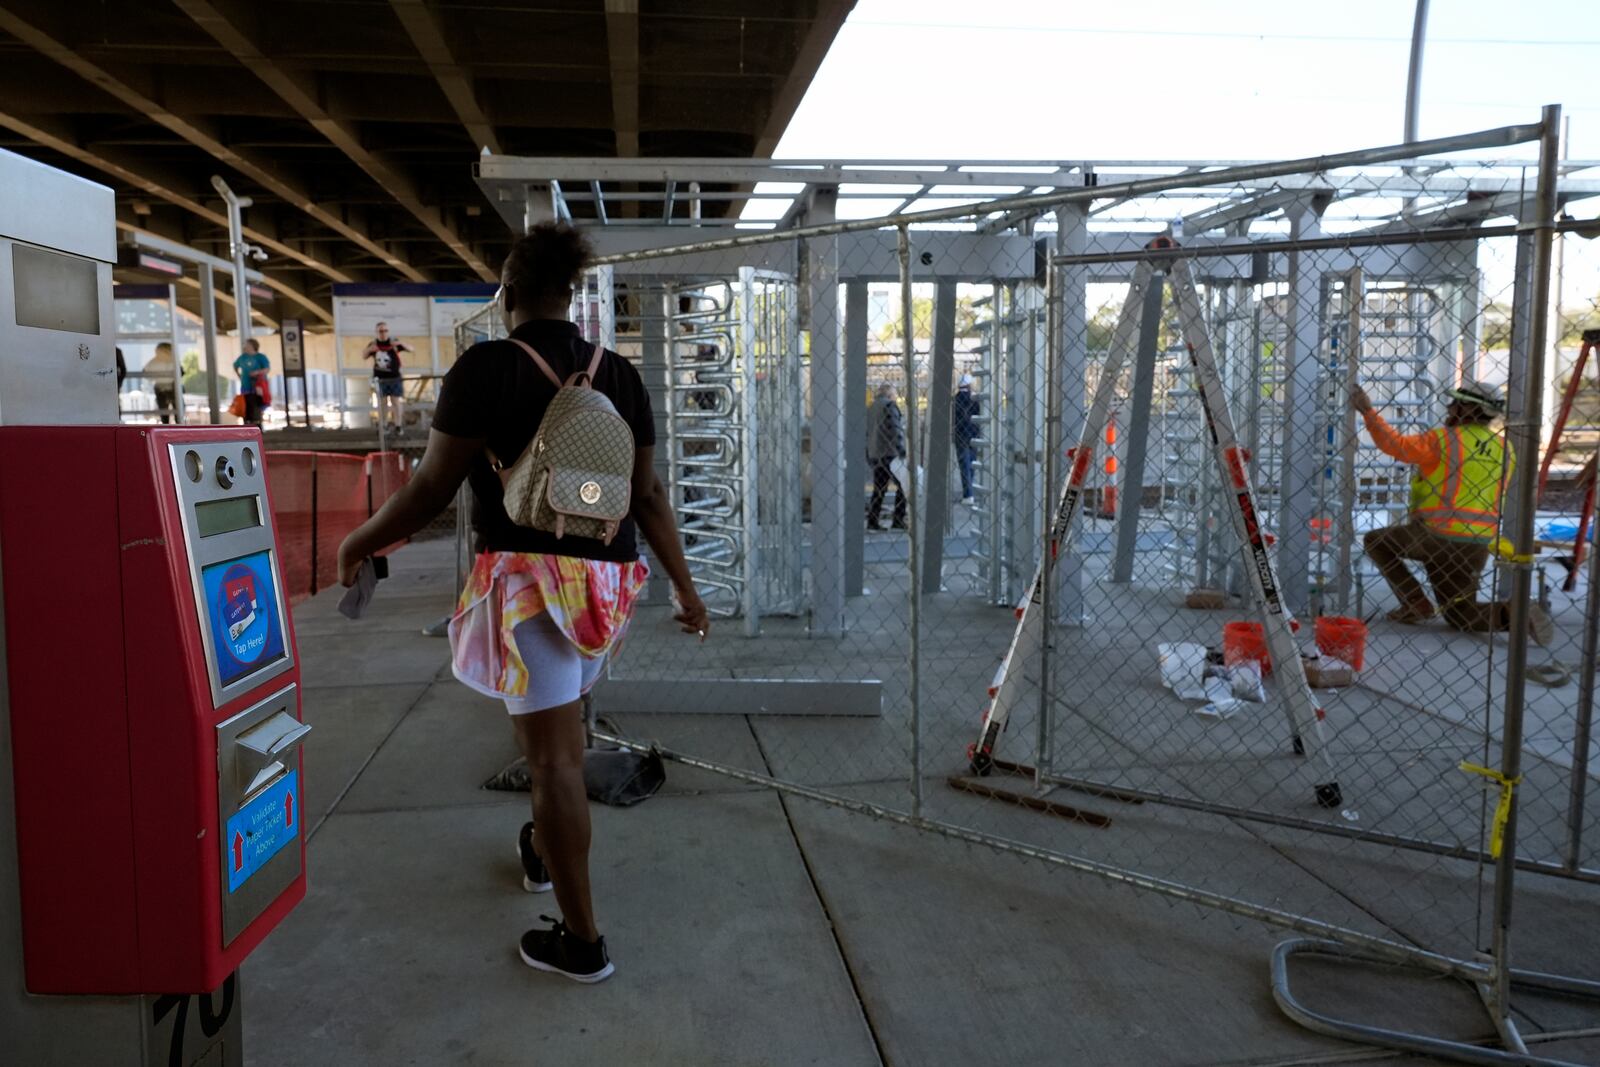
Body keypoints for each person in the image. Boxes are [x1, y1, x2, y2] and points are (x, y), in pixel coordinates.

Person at [336, 222, 709, 984]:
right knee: (556, 738)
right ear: (571, 295)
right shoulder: (621, 375)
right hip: (603, 589)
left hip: (529, 587)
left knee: (554, 759)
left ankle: (583, 943)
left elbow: (429, 489)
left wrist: (358, 543)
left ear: (506, 292)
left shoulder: (485, 368)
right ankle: (545, 846)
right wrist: (687, 590)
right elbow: (649, 498)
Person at [1353, 380, 1553, 644]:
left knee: (1375, 540)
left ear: (1467, 409)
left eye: (1455, 403)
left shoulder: (1443, 440)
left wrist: (1367, 411)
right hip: (1476, 544)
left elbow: (1396, 446)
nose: (1449, 407)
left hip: (1433, 536)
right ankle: (1511, 614)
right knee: (1460, 615)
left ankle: (1415, 601)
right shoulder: (1505, 448)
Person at [867, 382, 908, 531]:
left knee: (879, 489)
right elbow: (895, 429)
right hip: (890, 454)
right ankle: (898, 519)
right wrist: (902, 450)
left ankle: (872, 520)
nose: (896, 397)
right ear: (890, 394)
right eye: (895, 394)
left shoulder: (871, 408)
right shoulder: (889, 406)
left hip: (875, 454)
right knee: (904, 485)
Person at [363, 322, 411, 433]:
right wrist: (370, 349)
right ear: (377, 332)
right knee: (382, 402)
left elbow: (411, 349)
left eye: (385, 330)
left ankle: (398, 426)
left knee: (395, 401)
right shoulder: (373, 344)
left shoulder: (394, 342)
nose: (383, 333)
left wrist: (400, 343)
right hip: (380, 379)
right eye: (381, 331)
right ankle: (383, 425)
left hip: (394, 377)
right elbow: (364, 356)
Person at [952, 373, 980, 503]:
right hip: (974, 434)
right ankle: (970, 490)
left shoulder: (954, 399)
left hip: (960, 435)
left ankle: (968, 494)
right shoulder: (975, 398)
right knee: (972, 463)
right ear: (969, 385)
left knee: (964, 464)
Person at [232, 339, 271, 426]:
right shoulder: (242, 357)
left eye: (247, 345)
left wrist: (257, 372)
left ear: (252, 346)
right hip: (245, 385)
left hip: (257, 386)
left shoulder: (260, 357)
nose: (245, 347)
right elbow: (235, 366)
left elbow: (267, 369)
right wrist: (239, 375)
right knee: (246, 405)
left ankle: (258, 424)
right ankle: (247, 423)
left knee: (257, 404)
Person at [148, 341, 178, 424]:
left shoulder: (173, 361)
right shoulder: (154, 361)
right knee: (164, 412)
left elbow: (181, 371)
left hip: (172, 388)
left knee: (177, 411)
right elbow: (146, 373)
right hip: (161, 388)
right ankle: (167, 427)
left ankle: (178, 426)